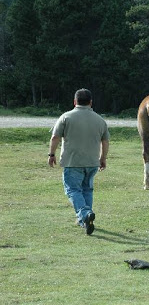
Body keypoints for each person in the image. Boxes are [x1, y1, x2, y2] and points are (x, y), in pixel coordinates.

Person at [48, 89, 110, 235]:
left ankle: (84, 214)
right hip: (92, 162)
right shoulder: (100, 120)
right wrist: (103, 158)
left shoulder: (66, 117)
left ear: (75, 101)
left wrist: (51, 154)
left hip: (72, 161)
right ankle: (85, 221)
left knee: (73, 190)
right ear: (91, 102)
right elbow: (105, 141)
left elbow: (55, 137)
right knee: (87, 189)